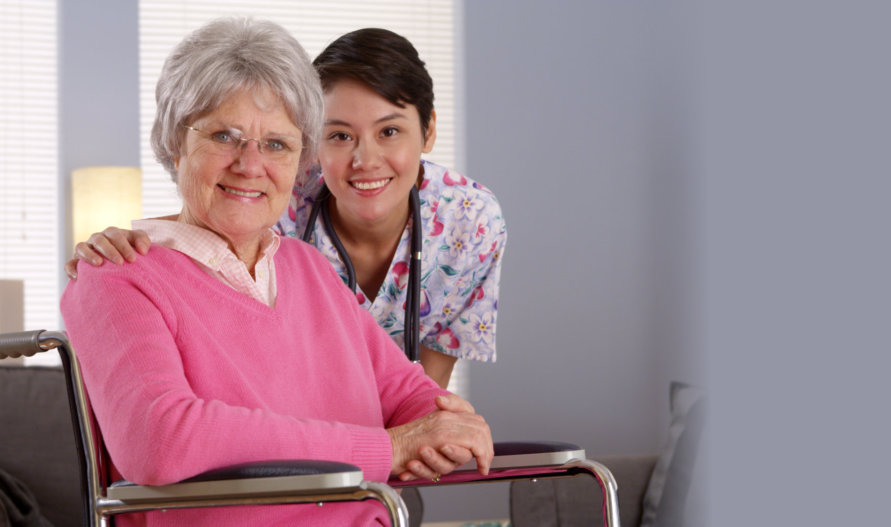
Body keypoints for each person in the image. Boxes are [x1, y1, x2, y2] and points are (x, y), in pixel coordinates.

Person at [60, 18, 492, 526]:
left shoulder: (308, 267)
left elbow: (406, 394)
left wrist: (453, 422)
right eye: (224, 135)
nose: (250, 164)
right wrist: (383, 449)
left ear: (300, 162)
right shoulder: (116, 276)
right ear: (176, 143)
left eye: (277, 145)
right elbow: (161, 439)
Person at [66, 28, 506, 390]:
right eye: (338, 135)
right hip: (303, 427)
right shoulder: (286, 197)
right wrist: (132, 245)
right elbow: (208, 225)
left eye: (389, 131)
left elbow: (425, 399)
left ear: (428, 132)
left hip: (369, 440)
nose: (365, 160)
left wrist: (415, 434)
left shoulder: (471, 222)